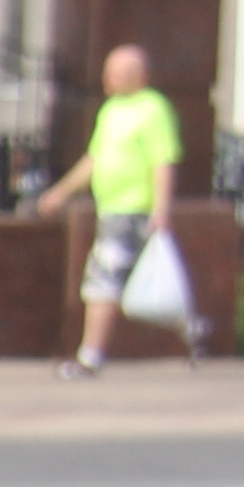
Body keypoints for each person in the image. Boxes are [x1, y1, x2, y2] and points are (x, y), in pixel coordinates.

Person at [32, 39, 190, 371]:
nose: (109, 80)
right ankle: (193, 329)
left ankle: (90, 357)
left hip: (134, 210)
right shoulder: (111, 110)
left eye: (117, 74)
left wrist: (161, 209)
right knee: (141, 281)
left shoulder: (153, 109)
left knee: (102, 281)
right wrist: (60, 193)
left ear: (140, 75)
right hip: (112, 208)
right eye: (109, 73)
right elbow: (95, 159)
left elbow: (162, 162)